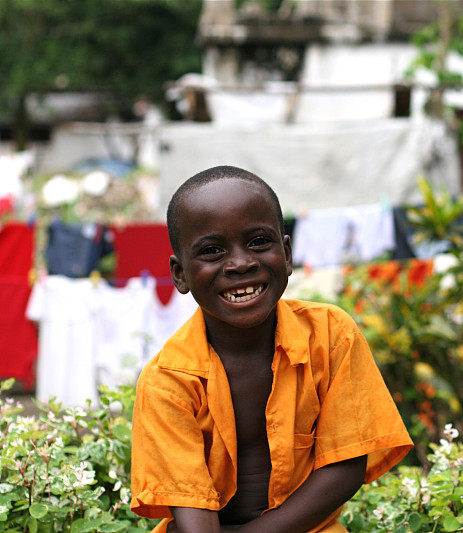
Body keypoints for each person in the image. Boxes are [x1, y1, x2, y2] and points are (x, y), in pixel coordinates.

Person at [130, 166, 413, 533]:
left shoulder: (329, 336)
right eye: (213, 251)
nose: (241, 263)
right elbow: (192, 516)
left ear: (288, 253)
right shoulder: (168, 381)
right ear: (180, 273)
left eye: (259, 242)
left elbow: (345, 467)